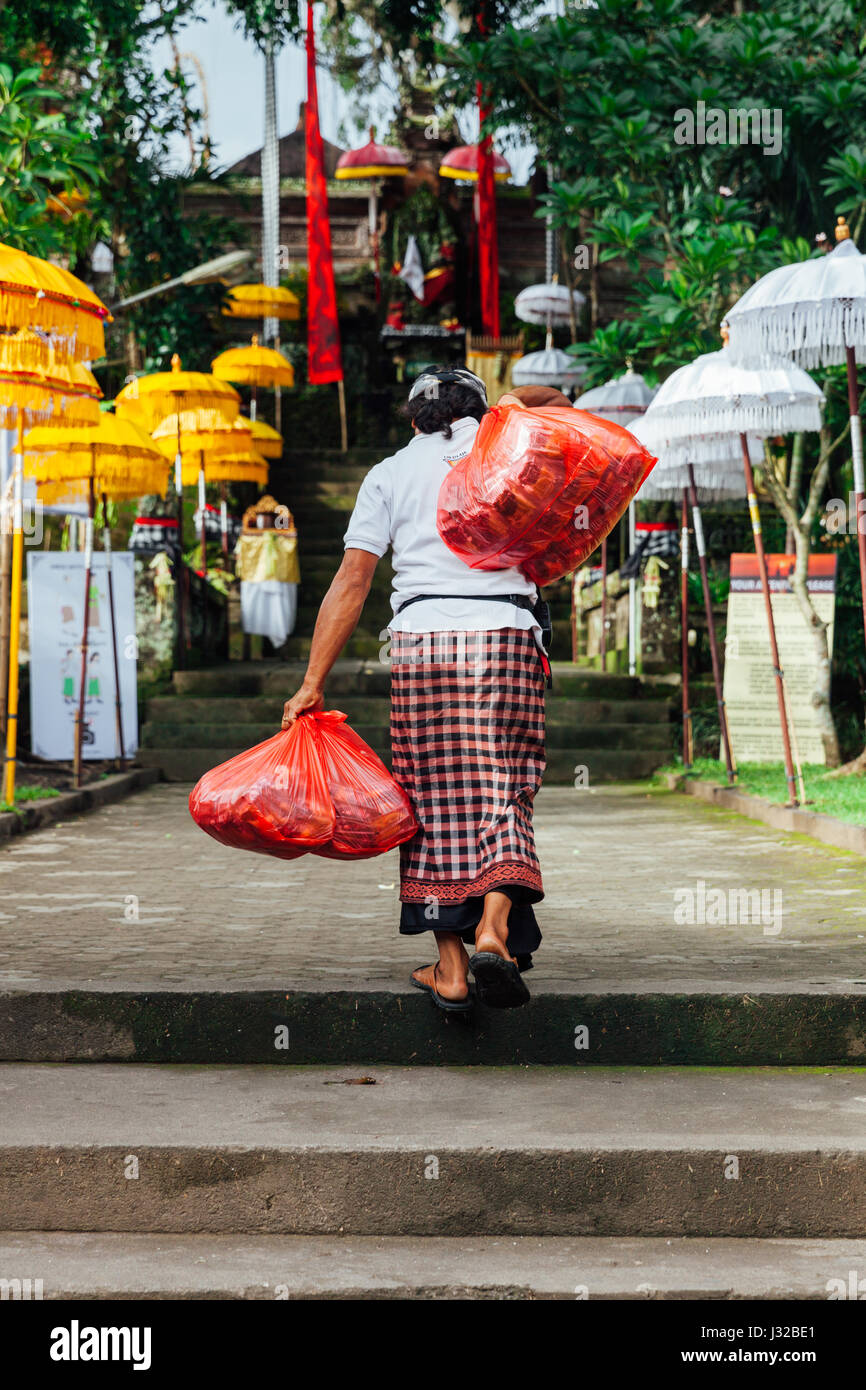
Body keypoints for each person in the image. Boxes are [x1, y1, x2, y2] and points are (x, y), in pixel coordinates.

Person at [282, 367, 547, 1010]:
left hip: (422, 641)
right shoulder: (510, 451)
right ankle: (493, 930)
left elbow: (352, 581)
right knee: (502, 788)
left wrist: (312, 682)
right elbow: (558, 403)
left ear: (411, 421)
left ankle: (451, 971)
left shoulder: (389, 473)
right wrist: (508, 408)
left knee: (429, 806)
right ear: (482, 413)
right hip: (506, 633)